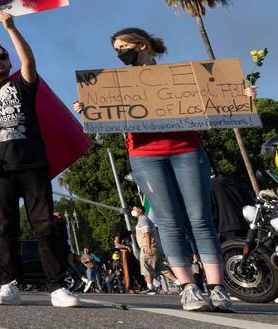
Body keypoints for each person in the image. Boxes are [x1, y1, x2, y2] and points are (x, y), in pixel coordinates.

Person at [73, 28, 255, 312]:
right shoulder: (113, 85)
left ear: (142, 45)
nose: (121, 53)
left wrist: (243, 95)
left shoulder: (181, 76)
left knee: (201, 219)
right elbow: (107, 114)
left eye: (124, 47)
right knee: (169, 223)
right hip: (145, 155)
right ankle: (188, 288)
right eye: (117, 50)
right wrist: (90, 109)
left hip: (187, 148)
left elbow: (218, 97)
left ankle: (218, 288)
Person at [0, 12, 79, 308]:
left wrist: (10, 28)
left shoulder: (22, 86)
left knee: (44, 227)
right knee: (5, 228)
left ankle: (57, 287)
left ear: (8, 62)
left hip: (32, 164)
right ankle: (8, 284)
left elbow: (29, 62)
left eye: (2, 56)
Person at [132, 205, 175, 295]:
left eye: (134, 209)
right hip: (155, 247)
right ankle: (180, 283)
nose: (133, 211)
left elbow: (147, 233)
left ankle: (150, 288)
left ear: (140, 210)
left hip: (148, 247)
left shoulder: (143, 219)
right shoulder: (145, 219)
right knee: (162, 268)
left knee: (147, 267)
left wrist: (148, 247)